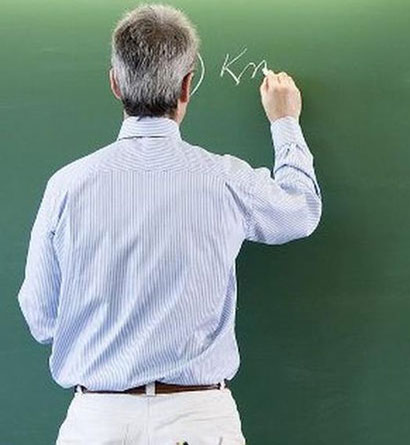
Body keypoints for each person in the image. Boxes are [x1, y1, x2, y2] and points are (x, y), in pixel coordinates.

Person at [16, 4, 321, 443]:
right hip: (199, 419)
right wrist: (285, 123)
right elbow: (301, 209)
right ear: (186, 86)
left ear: (115, 83)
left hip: (97, 421)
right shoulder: (225, 179)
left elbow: (42, 317)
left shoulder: (67, 186)